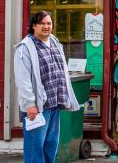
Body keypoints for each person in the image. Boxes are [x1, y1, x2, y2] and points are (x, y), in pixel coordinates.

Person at [13, 11, 80, 163]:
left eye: (49, 23)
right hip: (38, 107)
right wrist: (30, 104)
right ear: (33, 26)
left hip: (55, 103)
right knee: (34, 147)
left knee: (51, 145)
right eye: (42, 23)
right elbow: (23, 80)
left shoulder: (55, 42)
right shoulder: (25, 48)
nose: (46, 26)